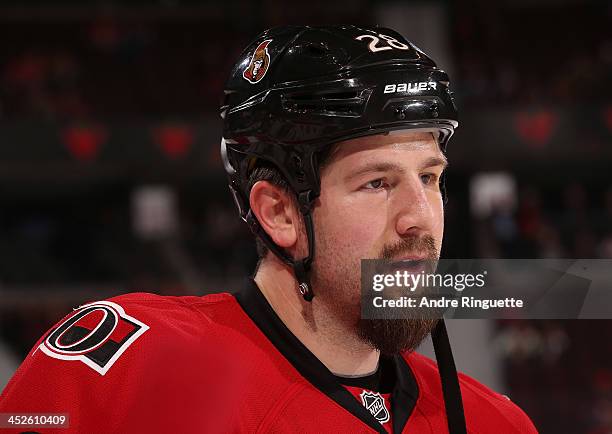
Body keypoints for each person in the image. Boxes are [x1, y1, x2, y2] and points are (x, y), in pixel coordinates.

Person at [0, 25, 537, 433]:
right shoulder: (124, 368)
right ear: (279, 213)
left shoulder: (496, 421)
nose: (420, 217)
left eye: (429, 177)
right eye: (376, 183)